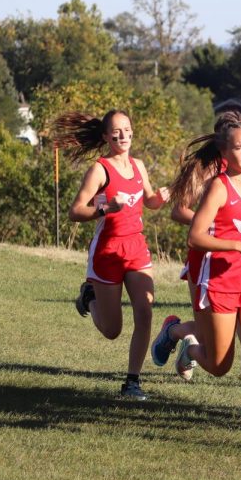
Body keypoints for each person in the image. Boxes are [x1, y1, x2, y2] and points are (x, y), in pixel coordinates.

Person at [156, 114, 241, 455]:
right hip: (217, 279)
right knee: (220, 365)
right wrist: (234, 245)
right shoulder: (218, 186)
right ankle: (188, 345)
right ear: (224, 151)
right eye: (240, 148)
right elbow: (196, 236)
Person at [55, 110, 170, 399]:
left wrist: (160, 198)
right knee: (112, 330)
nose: (123, 135)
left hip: (135, 247)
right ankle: (89, 296)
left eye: (127, 129)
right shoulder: (100, 169)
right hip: (107, 249)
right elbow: (75, 211)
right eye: (116, 131)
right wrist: (105, 209)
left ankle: (132, 381)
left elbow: (149, 200)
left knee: (144, 312)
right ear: (106, 136)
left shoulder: (139, 166)